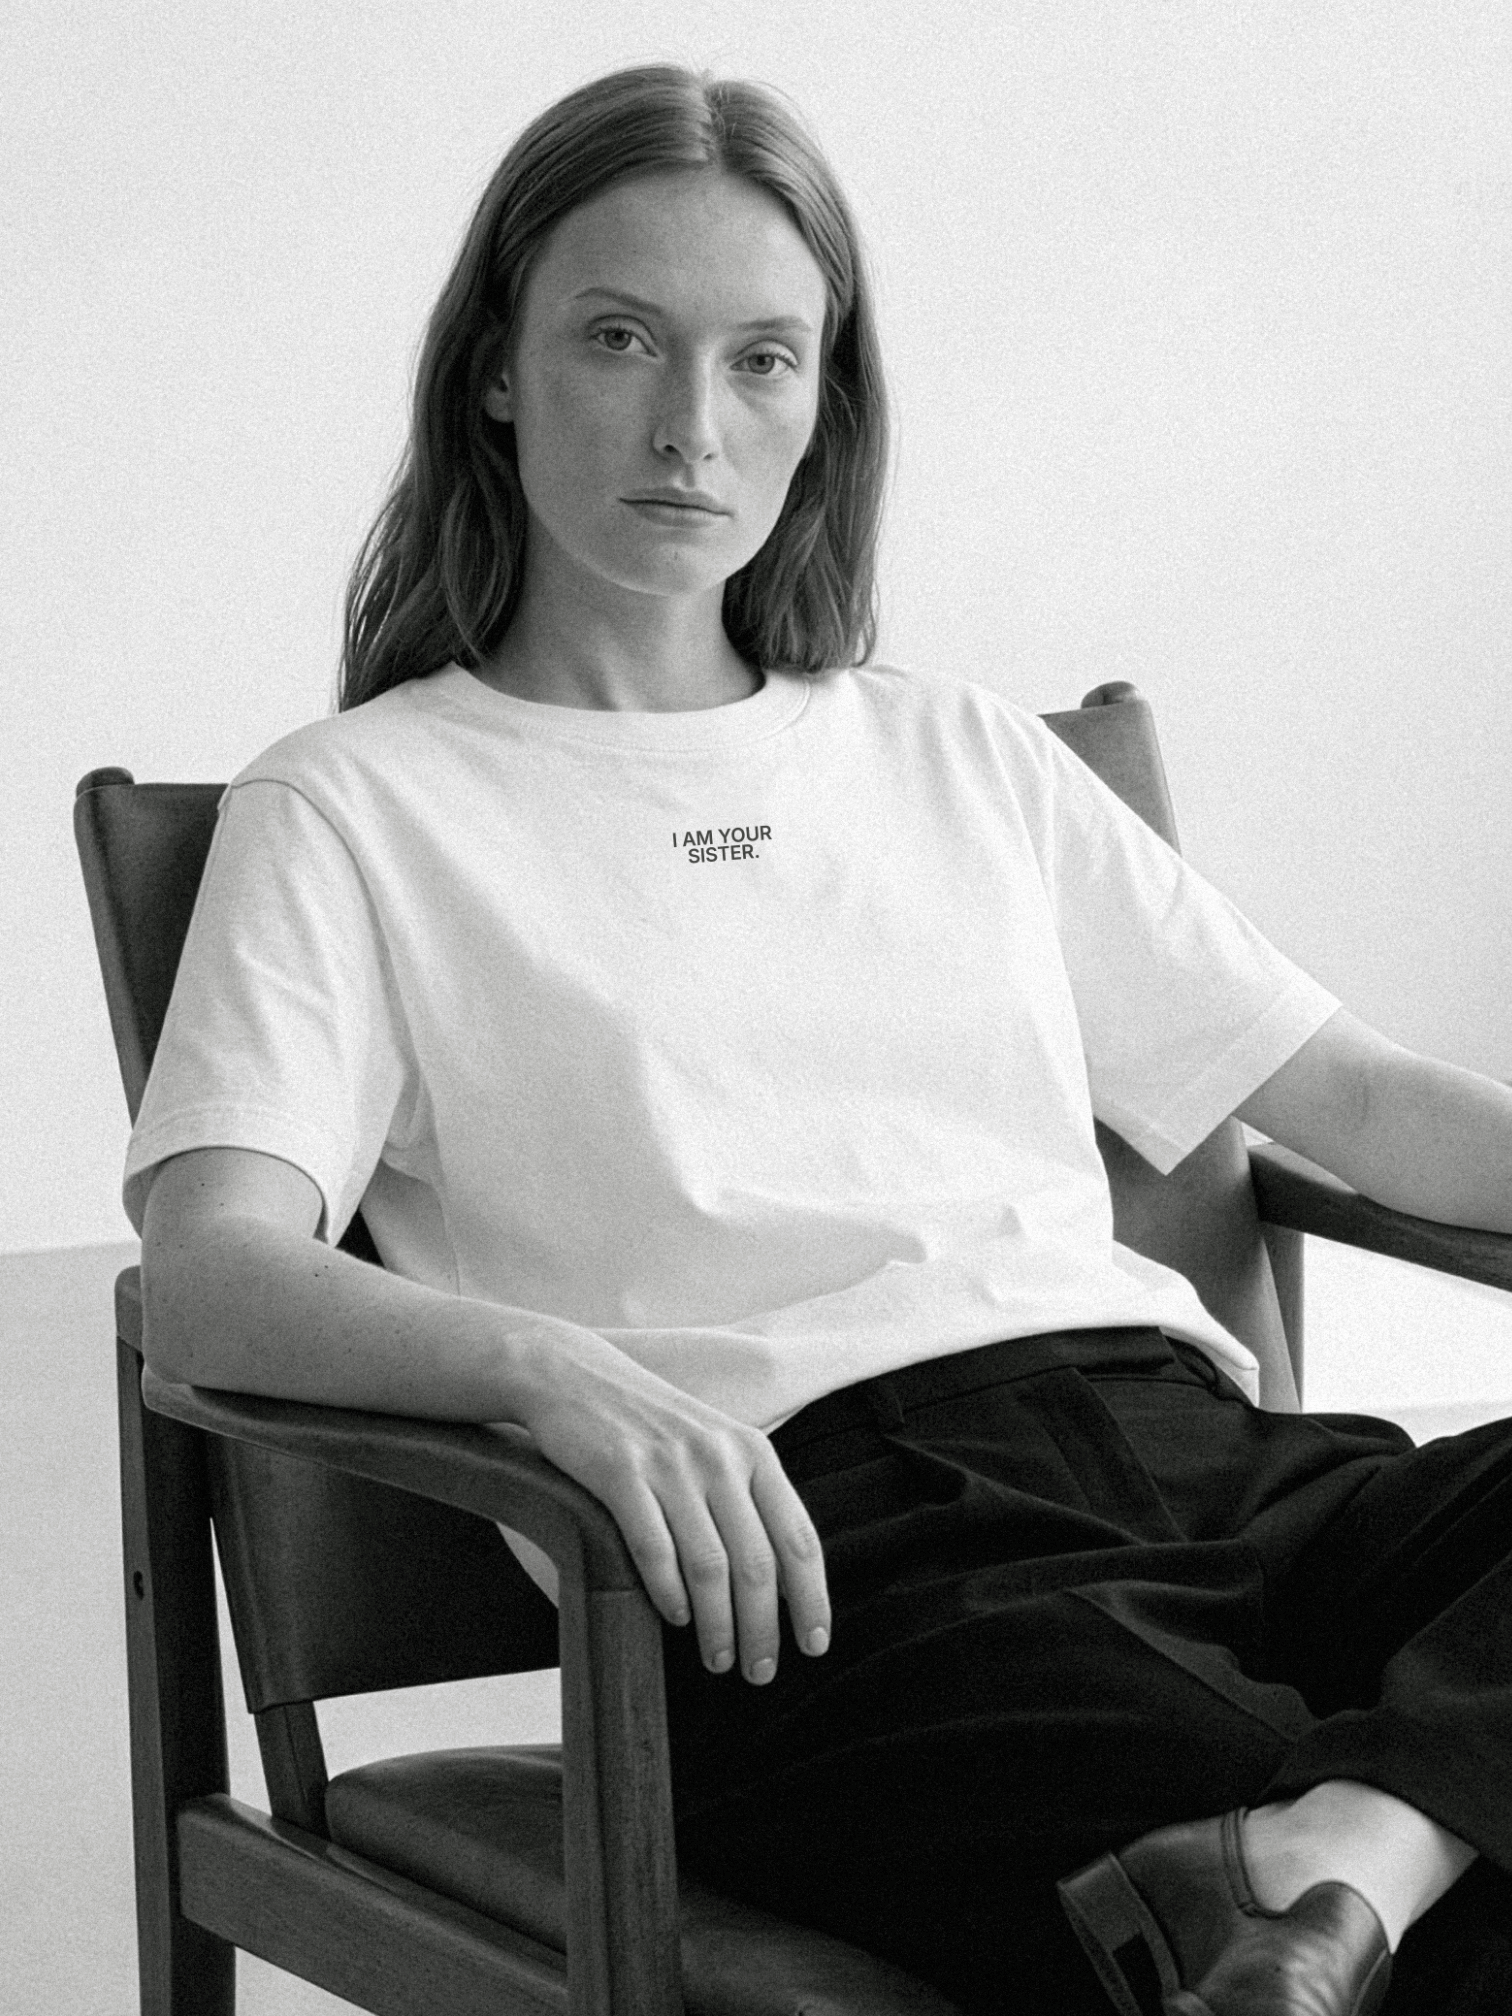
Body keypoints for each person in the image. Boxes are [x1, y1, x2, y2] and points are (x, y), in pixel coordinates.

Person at [124, 63, 1512, 2016]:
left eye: (762, 360)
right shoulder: (356, 808)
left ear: (822, 404)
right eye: (620, 339)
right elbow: (212, 1278)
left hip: (1219, 1467)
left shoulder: (954, 752)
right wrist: (551, 1375)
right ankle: (1367, 1844)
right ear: (499, 371)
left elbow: (1354, 1096)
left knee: (1330, 1918)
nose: (693, 426)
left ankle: (1342, 1853)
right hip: (824, 1566)